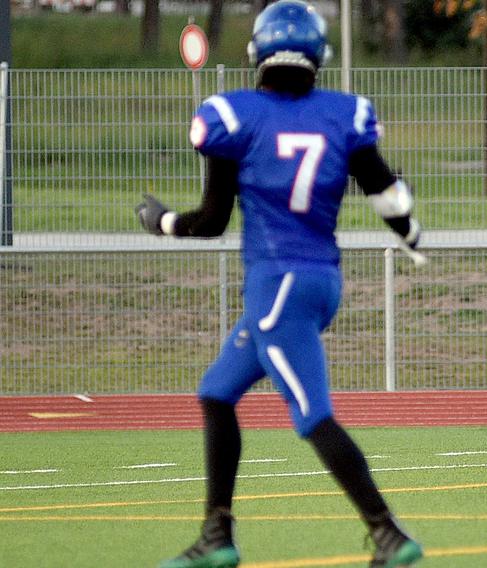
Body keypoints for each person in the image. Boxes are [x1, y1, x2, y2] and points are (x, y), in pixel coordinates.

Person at [135, 2, 424, 566]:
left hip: (277, 284)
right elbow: (385, 192)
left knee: (313, 414)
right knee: (217, 392)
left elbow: (212, 220)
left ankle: (388, 532)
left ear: (259, 52)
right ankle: (217, 535)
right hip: (319, 280)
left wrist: (163, 221)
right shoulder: (344, 114)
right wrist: (411, 233)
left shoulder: (235, 115)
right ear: (319, 54)